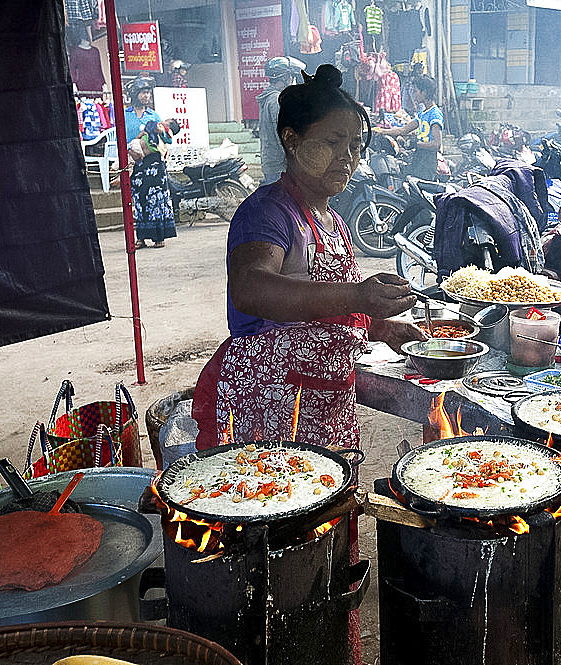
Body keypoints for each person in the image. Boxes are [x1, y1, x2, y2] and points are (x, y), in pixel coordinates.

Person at [191, 65, 422, 665]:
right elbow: (253, 290)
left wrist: (377, 324)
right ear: (290, 140)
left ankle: (323, 644)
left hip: (322, 405)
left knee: (324, 541)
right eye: (331, 142)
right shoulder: (268, 212)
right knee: (275, 545)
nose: (347, 158)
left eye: (355, 144)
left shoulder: (335, 222)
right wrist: (356, 297)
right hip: (267, 407)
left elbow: (322, 306)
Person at [124, 76, 176, 248]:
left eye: (148, 93)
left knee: (157, 199)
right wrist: (129, 151)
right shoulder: (125, 115)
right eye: (143, 93)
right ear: (135, 94)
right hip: (136, 162)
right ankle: (141, 237)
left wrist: (162, 132)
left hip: (154, 164)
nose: (146, 96)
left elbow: (167, 140)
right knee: (139, 200)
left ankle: (159, 236)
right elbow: (120, 137)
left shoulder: (154, 115)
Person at [375, 74, 442, 178]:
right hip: (419, 157)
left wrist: (415, 144)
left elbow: (436, 144)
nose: (414, 95)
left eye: (416, 91)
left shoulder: (434, 114)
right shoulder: (422, 113)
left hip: (428, 161)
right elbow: (404, 130)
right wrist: (382, 131)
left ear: (424, 92)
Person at [257, 55, 307, 185]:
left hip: (273, 163)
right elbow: (281, 133)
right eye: (292, 76)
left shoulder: (270, 97)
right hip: (278, 166)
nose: (293, 80)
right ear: (284, 77)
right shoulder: (276, 100)